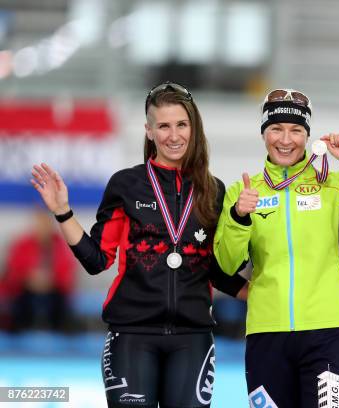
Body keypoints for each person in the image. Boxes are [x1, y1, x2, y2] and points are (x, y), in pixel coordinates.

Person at [30, 82, 248, 408]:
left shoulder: (213, 190)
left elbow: (216, 271)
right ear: (149, 131)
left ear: (194, 127)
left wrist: (260, 291)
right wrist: (63, 212)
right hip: (131, 336)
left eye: (181, 124)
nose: (173, 135)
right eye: (163, 126)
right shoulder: (126, 185)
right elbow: (97, 260)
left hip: (193, 338)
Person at [214, 89, 339, 407]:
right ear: (263, 133)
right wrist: (239, 217)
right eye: (276, 129)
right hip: (267, 334)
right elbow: (226, 264)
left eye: (296, 130)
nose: (285, 139)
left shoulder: (334, 184)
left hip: (328, 332)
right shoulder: (243, 190)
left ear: (307, 136)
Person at [1, 207, 77, 332]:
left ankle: (61, 337)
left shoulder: (60, 246)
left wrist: (51, 280)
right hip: (25, 290)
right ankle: (17, 337)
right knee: (17, 307)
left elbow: (67, 273)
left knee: (62, 308)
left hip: (54, 291)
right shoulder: (23, 245)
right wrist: (29, 278)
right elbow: (12, 271)